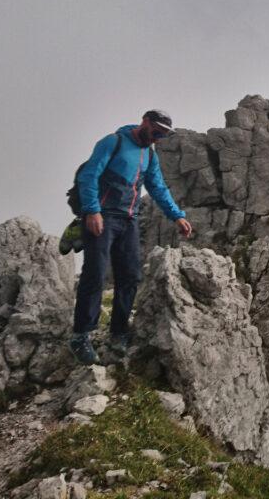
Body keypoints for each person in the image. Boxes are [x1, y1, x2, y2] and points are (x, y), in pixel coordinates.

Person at [69, 109, 193, 364]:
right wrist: (92, 210)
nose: (157, 138)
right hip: (103, 216)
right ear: (145, 122)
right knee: (95, 274)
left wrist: (177, 216)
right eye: (156, 131)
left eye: (163, 135)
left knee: (130, 276)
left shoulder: (150, 154)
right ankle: (80, 335)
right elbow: (89, 175)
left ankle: (119, 333)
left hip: (128, 220)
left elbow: (157, 187)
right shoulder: (112, 142)